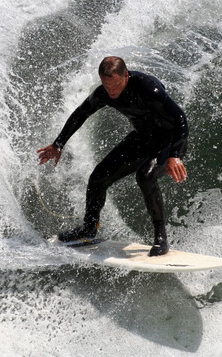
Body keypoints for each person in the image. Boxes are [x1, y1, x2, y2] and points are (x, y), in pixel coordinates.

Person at [37, 56, 189, 256]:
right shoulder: (104, 93)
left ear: (126, 75)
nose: (112, 91)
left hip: (169, 142)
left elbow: (180, 119)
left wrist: (175, 155)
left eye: (116, 85)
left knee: (145, 176)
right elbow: (81, 113)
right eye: (107, 86)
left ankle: (161, 237)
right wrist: (58, 144)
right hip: (142, 139)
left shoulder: (148, 88)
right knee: (98, 177)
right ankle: (89, 229)